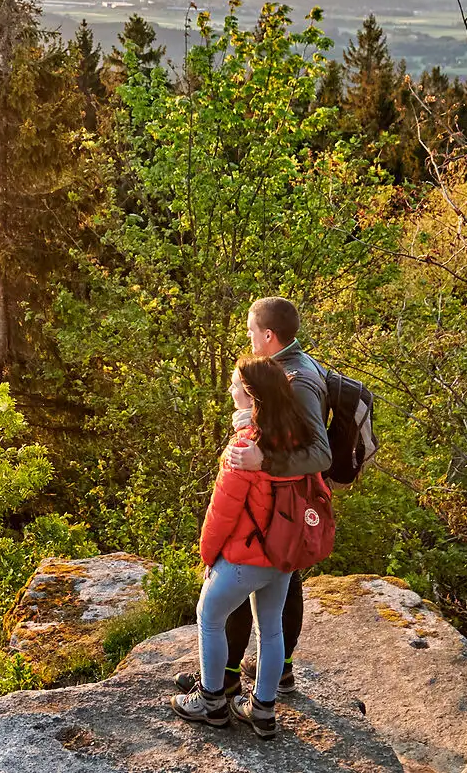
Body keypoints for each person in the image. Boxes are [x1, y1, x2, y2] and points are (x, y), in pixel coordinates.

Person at [178, 297, 331, 699]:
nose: (246, 336)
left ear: (268, 335)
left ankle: (228, 681)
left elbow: (321, 453)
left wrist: (264, 459)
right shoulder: (279, 372)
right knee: (273, 600)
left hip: (282, 512)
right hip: (278, 507)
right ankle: (257, 682)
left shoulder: (298, 381)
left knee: (255, 592)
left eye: (249, 330)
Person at [169, 353, 315, 739]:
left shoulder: (244, 448)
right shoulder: (295, 440)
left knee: (209, 615)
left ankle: (211, 702)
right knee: (270, 629)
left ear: (252, 398)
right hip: (282, 556)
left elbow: (222, 511)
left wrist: (207, 556)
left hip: (245, 556)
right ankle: (262, 710)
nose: (230, 389)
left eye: (235, 385)